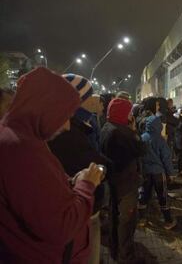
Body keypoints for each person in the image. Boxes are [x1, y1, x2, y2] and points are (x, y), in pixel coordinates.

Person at [0, 67, 103, 263]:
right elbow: (61, 226)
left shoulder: (22, 139)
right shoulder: (20, 149)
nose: (67, 126)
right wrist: (86, 185)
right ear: (46, 107)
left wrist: (72, 182)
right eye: (65, 115)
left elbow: (40, 198)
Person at [47, 74, 107, 264]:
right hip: (81, 213)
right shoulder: (67, 133)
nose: (96, 100)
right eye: (91, 96)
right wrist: (90, 180)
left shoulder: (84, 125)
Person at [100, 98, 145, 263]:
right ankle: (127, 257)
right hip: (126, 184)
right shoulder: (122, 133)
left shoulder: (106, 127)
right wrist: (133, 131)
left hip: (113, 181)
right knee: (127, 222)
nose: (131, 115)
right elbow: (141, 149)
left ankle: (115, 250)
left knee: (115, 217)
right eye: (129, 112)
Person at [138, 115, 177, 230]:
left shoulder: (142, 138)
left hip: (145, 171)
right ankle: (168, 220)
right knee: (162, 195)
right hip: (158, 173)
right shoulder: (160, 140)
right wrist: (171, 173)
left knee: (144, 194)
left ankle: (142, 219)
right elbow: (166, 157)